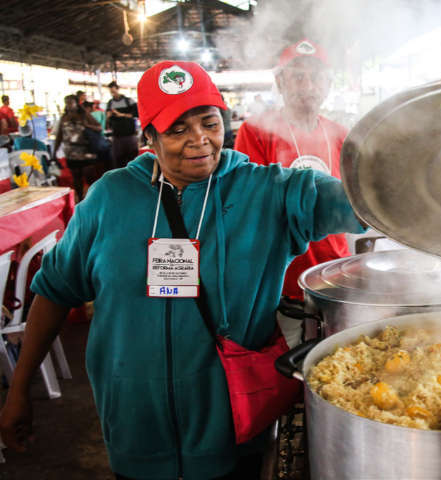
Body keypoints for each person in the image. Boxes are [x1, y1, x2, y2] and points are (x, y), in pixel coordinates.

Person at [0, 60, 365, 480]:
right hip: (135, 426)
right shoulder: (109, 198)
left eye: (209, 122)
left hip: (233, 427)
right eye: (176, 129)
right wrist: (20, 390)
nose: (199, 141)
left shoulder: (270, 191)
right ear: (149, 137)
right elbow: (55, 291)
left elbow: (362, 202)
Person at [234, 39, 351, 347]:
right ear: (280, 82)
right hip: (282, 277)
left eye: (316, 76)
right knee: (289, 360)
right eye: (297, 76)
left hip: (335, 269)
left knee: (337, 355)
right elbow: (249, 203)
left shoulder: (340, 134)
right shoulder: (256, 131)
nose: (307, 85)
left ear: (328, 83)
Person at [50, 94, 104, 201]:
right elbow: (59, 136)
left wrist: (87, 125)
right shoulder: (64, 118)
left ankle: (94, 198)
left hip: (86, 151)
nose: (69, 105)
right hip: (71, 152)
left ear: (76, 103)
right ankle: (80, 199)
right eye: (67, 103)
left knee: (90, 177)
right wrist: (54, 152)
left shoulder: (84, 115)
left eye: (71, 102)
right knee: (76, 178)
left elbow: (99, 127)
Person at [106, 80, 139, 169]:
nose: (112, 94)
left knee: (132, 160)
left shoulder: (129, 101)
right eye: (111, 92)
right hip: (117, 136)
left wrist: (121, 114)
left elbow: (136, 114)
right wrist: (108, 116)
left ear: (118, 89)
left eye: (113, 91)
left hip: (129, 135)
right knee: (118, 161)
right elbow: (108, 118)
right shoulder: (110, 103)